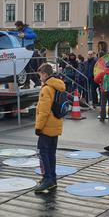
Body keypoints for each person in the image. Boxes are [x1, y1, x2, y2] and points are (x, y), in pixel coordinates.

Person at [33, 63, 65, 193]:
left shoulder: (46, 88)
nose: (39, 77)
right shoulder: (58, 85)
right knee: (51, 153)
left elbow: (44, 111)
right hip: (56, 124)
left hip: (46, 126)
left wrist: (38, 127)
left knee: (43, 153)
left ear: (45, 74)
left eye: (40, 74)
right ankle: (52, 179)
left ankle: (47, 179)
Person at [95, 55, 109, 122]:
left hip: (103, 90)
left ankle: (102, 117)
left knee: (103, 104)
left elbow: (96, 79)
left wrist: (100, 82)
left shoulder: (102, 72)